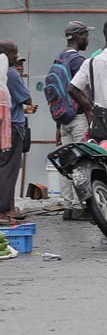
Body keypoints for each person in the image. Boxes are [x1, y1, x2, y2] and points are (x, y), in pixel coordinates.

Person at [49, 20, 94, 220]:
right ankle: (80, 205)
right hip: (78, 119)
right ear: (78, 37)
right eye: (85, 35)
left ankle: (68, 206)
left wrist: (58, 126)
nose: (88, 39)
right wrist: (90, 114)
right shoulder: (78, 61)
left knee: (66, 163)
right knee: (81, 162)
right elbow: (81, 91)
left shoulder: (59, 58)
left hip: (63, 119)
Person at [0, 40, 36, 225]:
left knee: (4, 167)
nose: (17, 57)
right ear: (7, 55)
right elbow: (26, 98)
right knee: (9, 168)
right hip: (12, 125)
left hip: (6, 122)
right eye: (15, 54)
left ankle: (8, 208)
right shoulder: (11, 74)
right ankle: (3, 211)